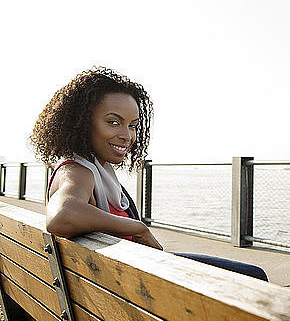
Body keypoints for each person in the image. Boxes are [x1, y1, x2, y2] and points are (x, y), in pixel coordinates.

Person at [30, 67, 267, 281]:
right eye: (113, 122)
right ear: (81, 124)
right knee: (254, 277)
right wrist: (137, 227)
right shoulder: (77, 171)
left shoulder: (96, 171)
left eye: (132, 125)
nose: (127, 135)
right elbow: (62, 215)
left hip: (124, 276)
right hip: (131, 283)